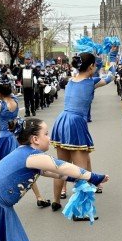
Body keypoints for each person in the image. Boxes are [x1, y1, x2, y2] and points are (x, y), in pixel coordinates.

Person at [49, 50, 114, 210]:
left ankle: (56, 201)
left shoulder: (70, 81)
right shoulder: (91, 82)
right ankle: (81, 208)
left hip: (62, 120)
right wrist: (112, 63)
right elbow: (109, 78)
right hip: (76, 123)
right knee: (80, 170)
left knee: (61, 166)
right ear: (91, 66)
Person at [0, 77, 51, 208]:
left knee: (2, 169)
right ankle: (39, 196)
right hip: (16, 137)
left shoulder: (0, 105)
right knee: (26, 167)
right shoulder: (14, 100)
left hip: (5, 139)